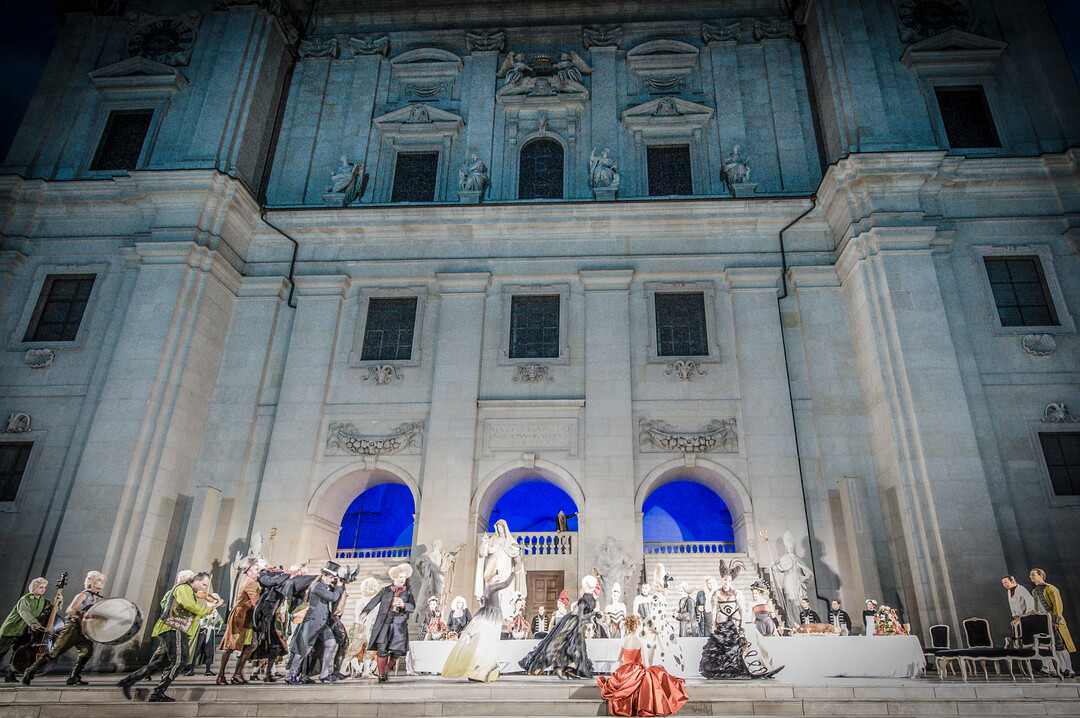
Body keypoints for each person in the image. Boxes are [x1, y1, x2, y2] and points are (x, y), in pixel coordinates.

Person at [117, 571, 222, 702]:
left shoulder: (190, 591)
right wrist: (210, 608)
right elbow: (190, 606)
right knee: (180, 660)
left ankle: (129, 680)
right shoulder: (184, 588)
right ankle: (158, 692)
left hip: (178, 629)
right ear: (195, 580)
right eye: (203, 584)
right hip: (174, 628)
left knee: (162, 661)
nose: (204, 588)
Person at [22, 571, 106, 687]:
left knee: (86, 651)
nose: (102, 582)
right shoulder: (84, 595)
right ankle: (30, 671)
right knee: (55, 653)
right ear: (91, 582)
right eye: (99, 580)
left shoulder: (96, 598)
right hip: (73, 627)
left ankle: (74, 677)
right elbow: (70, 610)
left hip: (83, 629)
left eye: (103, 580)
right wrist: (82, 613)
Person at [597, 614, 688, 717]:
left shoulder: (624, 640)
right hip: (635, 669)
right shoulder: (640, 641)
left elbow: (619, 659)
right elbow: (645, 663)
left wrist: (623, 669)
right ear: (637, 626)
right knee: (659, 674)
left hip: (623, 670)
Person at [699, 579, 783, 680]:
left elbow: (742, 610)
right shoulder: (717, 594)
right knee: (745, 645)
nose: (754, 595)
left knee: (756, 641)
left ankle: (767, 665)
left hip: (738, 623)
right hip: (726, 625)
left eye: (756, 593)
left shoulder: (735, 593)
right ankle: (756, 667)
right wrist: (715, 626)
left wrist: (742, 623)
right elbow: (713, 611)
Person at [519, 575, 600, 679]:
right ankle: (563, 668)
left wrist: (593, 614)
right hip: (574, 624)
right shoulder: (587, 599)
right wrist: (591, 615)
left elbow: (583, 613)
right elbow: (579, 613)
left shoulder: (589, 598)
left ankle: (566, 669)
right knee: (571, 647)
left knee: (570, 647)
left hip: (575, 624)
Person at [443, 570, 516, 681]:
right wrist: (514, 573)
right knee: (488, 645)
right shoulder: (492, 587)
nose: (498, 579)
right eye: (496, 577)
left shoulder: (488, 588)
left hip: (488, 615)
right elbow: (506, 584)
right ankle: (482, 671)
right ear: (491, 578)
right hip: (491, 616)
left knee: (484, 644)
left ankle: (481, 670)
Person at [285, 561, 344, 684]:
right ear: (324, 575)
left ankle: (324, 674)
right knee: (303, 649)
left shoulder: (324, 586)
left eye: (333, 578)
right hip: (312, 623)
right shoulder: (318, 586)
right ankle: (290, 676)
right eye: (331, 577)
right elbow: (333, 597)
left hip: (322, 623)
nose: (332, 580)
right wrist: (339, 587)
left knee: (331, 643)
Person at [361, 563, 415, 683]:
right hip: (384, 624)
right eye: (400, 577)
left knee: (397, 652)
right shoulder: (385, 590)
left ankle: (384, 669)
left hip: (399, 625)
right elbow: (375, 600)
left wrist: (404, 605)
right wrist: (365, 612)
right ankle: (381, 674)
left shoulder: (408, 592)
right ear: (394, 577)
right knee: (382, 649)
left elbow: (412, 607)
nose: (402, 579)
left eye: (404, 577)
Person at [217, 558, 262, 684]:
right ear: (248, 571)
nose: (259, 571)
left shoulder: (254, 582)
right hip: (240, 617)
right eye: (256, 569)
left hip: (247, 617)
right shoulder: (250, 583)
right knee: (231, 646)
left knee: (251, 645)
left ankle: (237, 673)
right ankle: (221, 675)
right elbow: (256, 601)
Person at [475, 520, 526, 618]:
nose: (499, 529)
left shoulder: (510, 541)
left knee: (504, 589)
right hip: (492, 567)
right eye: (497, 527)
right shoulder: (492, 540)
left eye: (501, 527)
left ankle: (505, 612)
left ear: (505, 528)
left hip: (505, 567)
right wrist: (485, 543)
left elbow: (516, 554)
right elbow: (483, 553)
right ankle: (491, 612)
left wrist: (518, 563)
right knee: (492, 589)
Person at [0, 577, 48, 682]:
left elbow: (53, 609)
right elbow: (24, 612)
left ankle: (11, 675)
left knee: (18, 653)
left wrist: (60, 601)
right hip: (12, 630)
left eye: (44, 587)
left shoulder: (43, 601)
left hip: (24, 631)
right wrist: (34, 622)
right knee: (1, 651)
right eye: (40, 587)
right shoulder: (25, 599)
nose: (43, 589)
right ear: (34, 588)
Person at [1030, 568, 1075, 677]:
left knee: (1060, 645)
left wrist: (1056, 621)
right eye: (1031, 575)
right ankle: (1052, 669)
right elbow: (1037, 608)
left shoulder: (1050, 588)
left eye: (1033, 575)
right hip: (1044, 621)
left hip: (1053, 621)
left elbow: (1057, 606)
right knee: (1047, 646)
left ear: (1041, 575)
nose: (1031, 577)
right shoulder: (1034, 591)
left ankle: (1067, 669)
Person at [185, 597, 223, 676]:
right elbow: (201, 621)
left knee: (209, 652)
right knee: (196, 651)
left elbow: (218, 621)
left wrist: (215, 618)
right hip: (202, 632)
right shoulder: (205, 610)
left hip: (210, 632)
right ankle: (191, 670)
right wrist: (209, 617)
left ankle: (208, 670)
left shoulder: (215, 612)